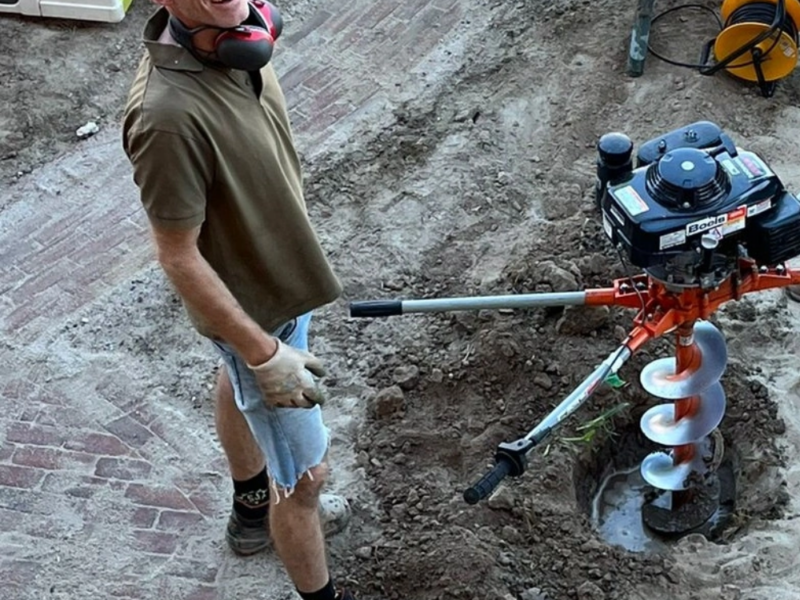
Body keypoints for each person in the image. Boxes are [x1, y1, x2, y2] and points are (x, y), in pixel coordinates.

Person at [121, 0, 356, 598]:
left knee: (239, 386)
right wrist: (262, 353)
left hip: (278, 288)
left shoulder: (243, 34)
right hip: (257, 318)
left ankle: (251, 509)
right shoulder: (166, 118)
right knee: (304, 480)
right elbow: (176, 254)